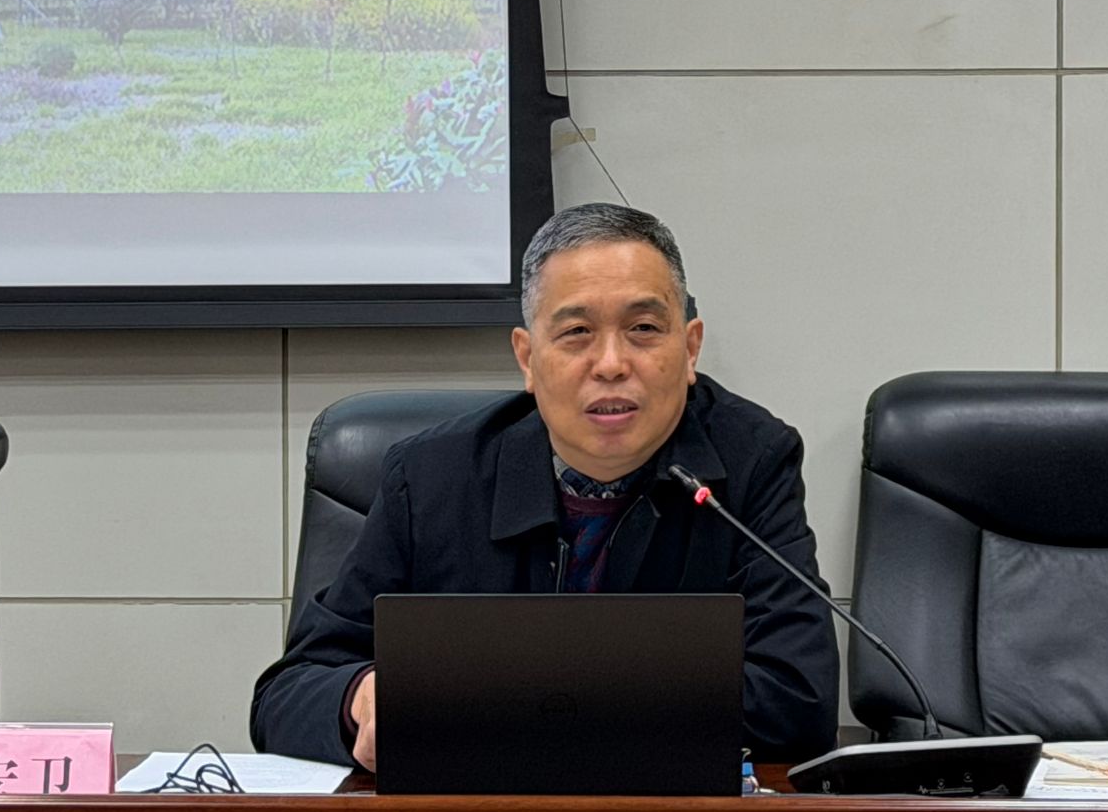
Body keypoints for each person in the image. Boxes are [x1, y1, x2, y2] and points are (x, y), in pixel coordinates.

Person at [250, 202, 839, 770]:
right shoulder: (430, 478)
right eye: (577, 332)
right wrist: (360, 700)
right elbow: (286, 695)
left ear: (689, 349)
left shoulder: (751, 461)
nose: (611, 363)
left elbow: (799, 701)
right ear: (527, 359)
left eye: (643, 328)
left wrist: (517, 702)